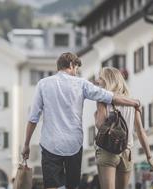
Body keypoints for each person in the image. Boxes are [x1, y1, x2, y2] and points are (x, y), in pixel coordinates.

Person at [22, 52, 141, 189]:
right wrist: (134, 102)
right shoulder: (81, 84)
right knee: (72, 186)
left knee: (52, 186)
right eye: (76, 69)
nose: (76, 72)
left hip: (50, 144)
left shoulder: (43, 84)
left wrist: (26, 144)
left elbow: (33, 118)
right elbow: (109, 97)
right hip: (74, 144)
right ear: (72, 65)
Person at [94, 67, 153, 189]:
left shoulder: (102, 99)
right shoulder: (132, 103)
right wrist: (149, 157)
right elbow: (140, 131)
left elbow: (100, 124)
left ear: (108, 80)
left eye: (100, 78)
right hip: (126, 152)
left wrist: (95, 116)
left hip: (107, 150)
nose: (97, 80)